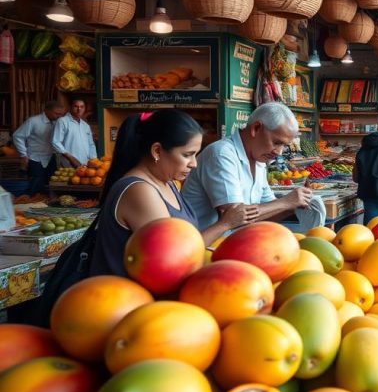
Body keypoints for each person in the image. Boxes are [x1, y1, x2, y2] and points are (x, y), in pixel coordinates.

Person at [90, 110, 255, 276]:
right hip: (127, 298)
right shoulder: (139, 191)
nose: (194, 164)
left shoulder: (168, 183)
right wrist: (225, 224)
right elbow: (172, 257)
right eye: (187, 155)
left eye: (195, 155)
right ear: (157, 151)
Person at [183, 102, 312, 230]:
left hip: (238, 242)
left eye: (284, 145)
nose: (279, 152)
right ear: (256, 128)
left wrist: (293, 206)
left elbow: (268, 211)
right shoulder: (222, 154)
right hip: (203, 246)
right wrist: (286, 202)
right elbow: (235, 219)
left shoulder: (259, 161)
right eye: (276, 142)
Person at [13, 100, 63, 195]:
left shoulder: (57, 123)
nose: (59, 116)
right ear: (47, 111)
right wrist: (23, 154)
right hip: (35, 158)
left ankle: (46, 206)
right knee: (36, 185)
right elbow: (17, 136)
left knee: (51, 184)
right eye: (56, 113)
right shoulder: (33, 121)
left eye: (60, 114)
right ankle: (30, 205)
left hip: (50, 157)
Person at [52, 99, 97, 169]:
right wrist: (70, 158)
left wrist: (93, 160)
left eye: (82, 107)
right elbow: (56, 142)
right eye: (76, 106)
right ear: (70, 107)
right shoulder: (63, 121)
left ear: (85, 109)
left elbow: (91, 144)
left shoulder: (85, 125)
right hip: (69, 164)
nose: (79, 109)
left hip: (85, 165)